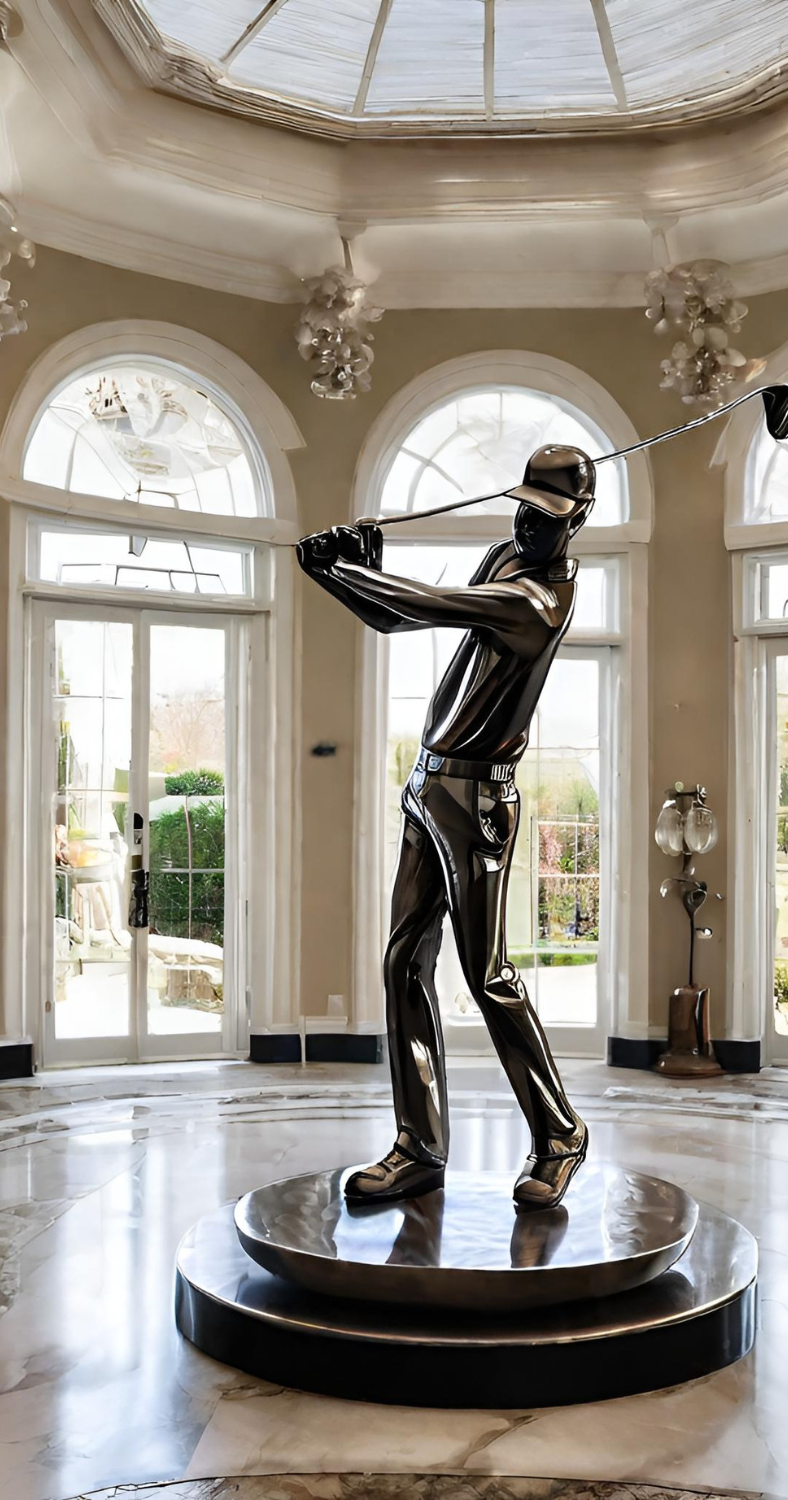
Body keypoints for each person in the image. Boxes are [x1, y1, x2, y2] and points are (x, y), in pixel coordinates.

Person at [297, 444, 595, 1212]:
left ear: (580, 519)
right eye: (524, 506)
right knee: (404, 962)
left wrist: (341, 568)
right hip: (428, 786)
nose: (528, 524)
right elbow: (393, 617)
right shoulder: (505, 557)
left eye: (548, 516)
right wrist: (351, 571)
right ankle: (419, 1147)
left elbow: (429, 605)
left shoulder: (540, 602)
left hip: (477, 803)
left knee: (487, 977)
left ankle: (560, 1133)